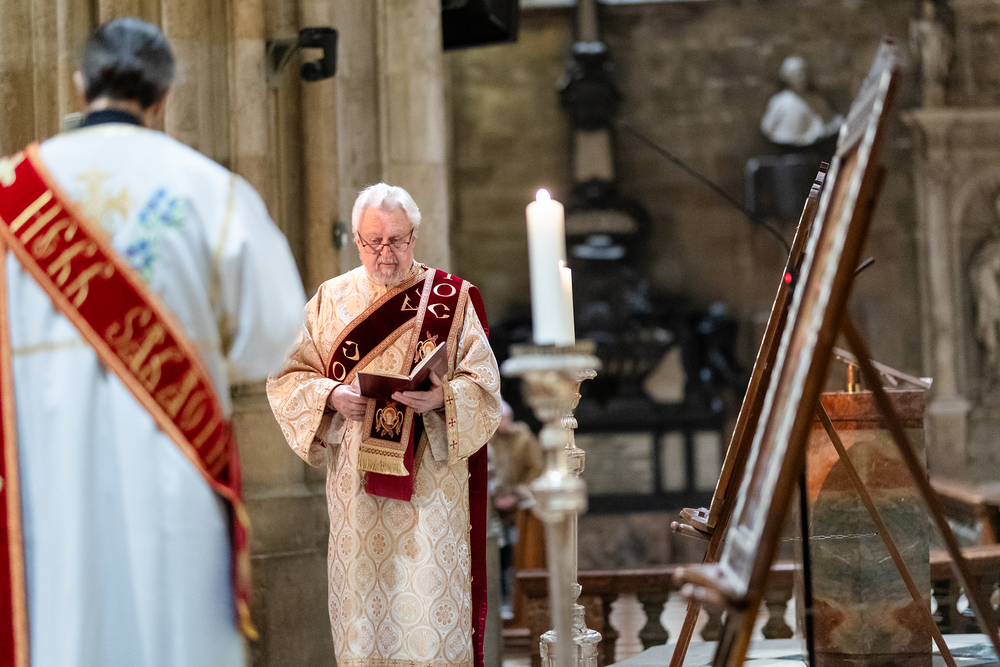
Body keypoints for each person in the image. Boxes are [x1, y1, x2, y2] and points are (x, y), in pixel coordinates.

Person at [0, 18, 306, 667]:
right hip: (175, 473)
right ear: (164, 97)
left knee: (68, 626)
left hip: (48, 468)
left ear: (80, 84)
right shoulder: (210, 191)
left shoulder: (12, 196)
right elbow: (276, 335)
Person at [267, 183, 502, 667]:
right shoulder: (329, 300)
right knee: (365, 623)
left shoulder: (451, 299)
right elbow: (286, 375)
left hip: (431, 495)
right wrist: (332, 395)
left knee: (429, 618)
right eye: (373, 241)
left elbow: (485, 387)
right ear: (356, 240)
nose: (385, 253)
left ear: (414, 236)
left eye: (396, 240)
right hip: (357, 495)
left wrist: (442, 397)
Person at [760, 55, 842, 147]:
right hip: (788, 148)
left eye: (804, 73)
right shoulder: (779, 102)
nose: (802, 77)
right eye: (797, 74)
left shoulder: (815, 100)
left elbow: (831, 121)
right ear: (788, 77)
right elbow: (767, 128)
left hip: (816, 148)